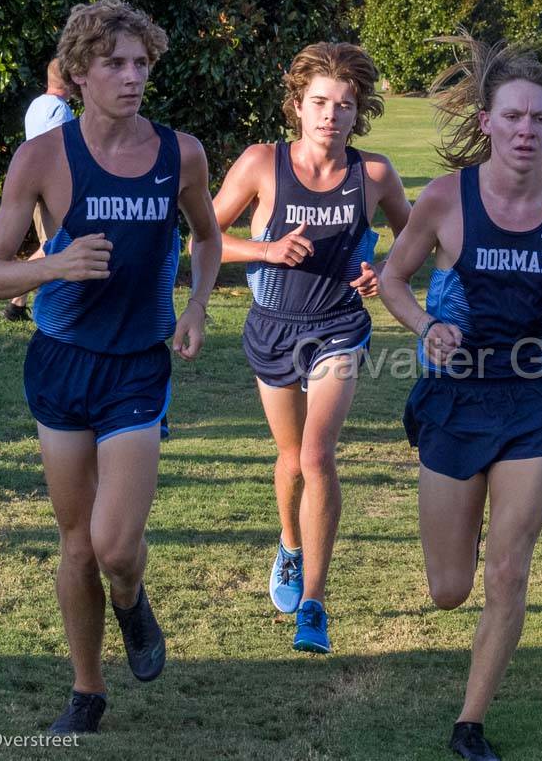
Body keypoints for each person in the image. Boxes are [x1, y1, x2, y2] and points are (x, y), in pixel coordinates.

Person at [0, 0, 222, 734]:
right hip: (60, 364)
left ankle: (131, 594)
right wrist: (52, 265)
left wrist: (198, 305)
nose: (132, 76)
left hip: (137, 368)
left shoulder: (182, 153)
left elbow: (208, 238)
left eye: (142, 62)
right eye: (115, 62)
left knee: (115, 543)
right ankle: (87, 690)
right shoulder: (43, 158)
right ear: (79, 72)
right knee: (77, 545)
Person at [379, 34, 542, 761]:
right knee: (450, 588)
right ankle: (469, 531)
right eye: (512, 116)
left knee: (509, 569)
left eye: (540, 118)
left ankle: (469, 722)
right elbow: (392, 280)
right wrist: (426, 324)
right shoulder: (446, 200)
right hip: (454, 400)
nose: (525, 130)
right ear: (486, 120)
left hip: (529, 402)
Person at [209, 42, 410, 653]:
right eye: (320, 102)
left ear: (359, 112)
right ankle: (290, 546)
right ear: (297, 106)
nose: (330, 115)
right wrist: (265, 250)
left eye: (344, 105)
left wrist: (384, 271)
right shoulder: (259, 164)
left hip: (338, 327)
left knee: (319, 456)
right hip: (272, 325)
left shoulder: (372, 175)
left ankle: (315, 605)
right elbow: (201, 238)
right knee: (292, 458)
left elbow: (415, 238)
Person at [2, 58, 75, 322]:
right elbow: (60, 151)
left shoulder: (36, 105)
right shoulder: (59, 109)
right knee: (57, 245)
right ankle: (20, 296)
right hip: (51, 188)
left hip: (34, 184)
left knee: (53, 245)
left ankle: (18, 301)